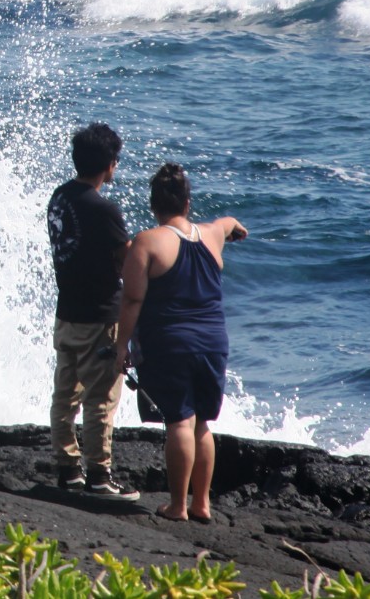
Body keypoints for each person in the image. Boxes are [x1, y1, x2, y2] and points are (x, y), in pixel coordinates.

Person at [115, 162, 247, 523]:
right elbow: (230, 222)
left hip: (170, 344)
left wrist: (121, 346)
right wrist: (237, 230)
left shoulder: (148, 241)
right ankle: (202, 503)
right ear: (187, 203)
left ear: (154, 206)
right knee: (203, 423)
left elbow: (131, 300)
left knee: (178, 421)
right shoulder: (211, 234)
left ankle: (178, 506)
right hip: (214, 342)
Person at [46, 122, 139, 498]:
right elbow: (128, 263)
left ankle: (68, 469)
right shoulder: (104, 209)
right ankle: (99, 477)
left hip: (67, 312)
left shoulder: (60, 197)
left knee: (65, 394)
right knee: (100, 398)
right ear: (109, 164)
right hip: (100, 317)